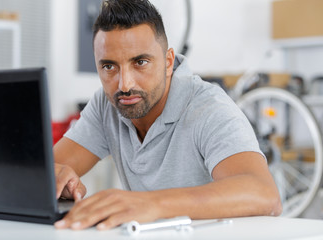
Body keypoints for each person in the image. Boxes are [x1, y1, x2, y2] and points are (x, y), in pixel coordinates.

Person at [54, 0, 282, 231]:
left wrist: (151, 203)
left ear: (168, 61)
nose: (125, 84)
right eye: (109, 67)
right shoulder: (106, 104)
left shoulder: (209, 108)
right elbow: (47, 170)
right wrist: (55, 174)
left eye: (140, 62)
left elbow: (264, 194)